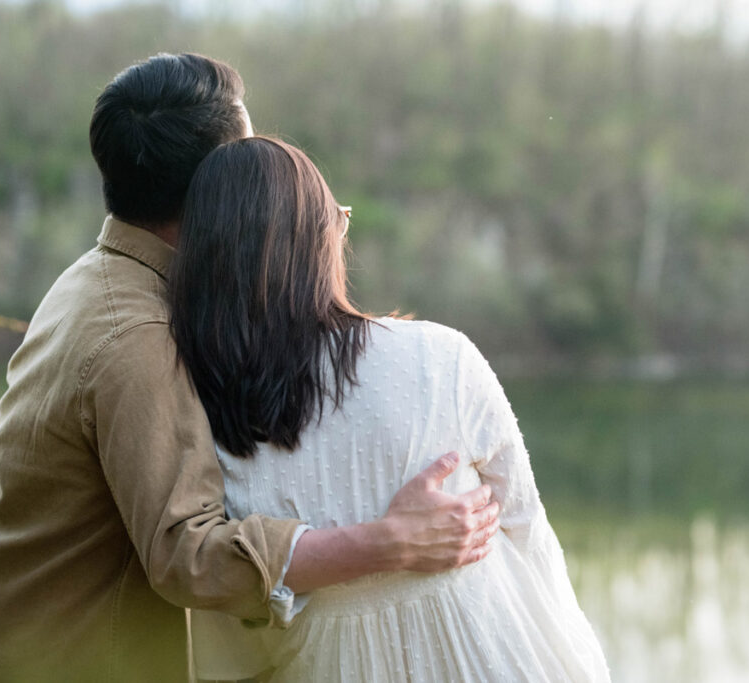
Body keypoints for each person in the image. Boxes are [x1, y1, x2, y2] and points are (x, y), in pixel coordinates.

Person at [0, 53, 501, 682]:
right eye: (245, 155)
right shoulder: (135, 336)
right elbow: (187, 553)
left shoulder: (105, 273)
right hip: (76, 647)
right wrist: (388, 542)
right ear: (215, 185)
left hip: (10, 622)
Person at [172, 136, 612, 682]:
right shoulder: (439, 359)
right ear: (318, 242)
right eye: (338, 220)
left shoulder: (205, 419)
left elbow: (233, 631)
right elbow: (528, 536)